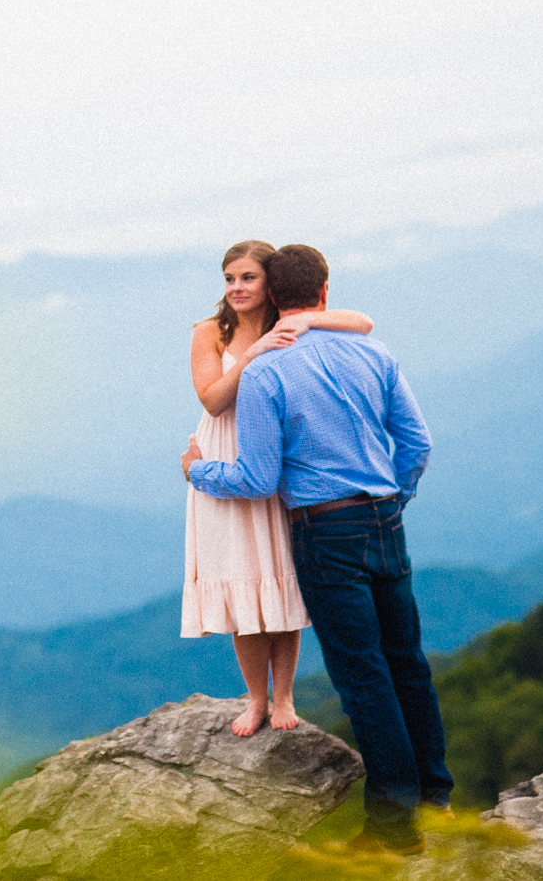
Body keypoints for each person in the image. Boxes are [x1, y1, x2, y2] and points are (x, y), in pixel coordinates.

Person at [183, 243, 449, 854]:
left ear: (274, 296)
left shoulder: (267, 372)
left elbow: (255, 478)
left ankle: (392, 829)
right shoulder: (372, 352)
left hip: (326, 531)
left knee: (365, 678)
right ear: (324, 294)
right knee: (408, 664)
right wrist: (393, 498)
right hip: (385, 519)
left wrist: (198, 471)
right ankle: (436, 800)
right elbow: (417, 441)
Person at [178, 240, 376, 737]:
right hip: (223, 455)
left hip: (272, 458)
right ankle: (256, 699)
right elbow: (213, 401)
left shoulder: (285, 323)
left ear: (270, 282)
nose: (237, 288)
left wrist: (305, 322)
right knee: (239, 575)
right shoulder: (210, 332)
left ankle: (284, 697)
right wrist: (253, 358)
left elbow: (363, 323)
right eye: (229, 279)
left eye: (247, 277)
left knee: (278, 576)